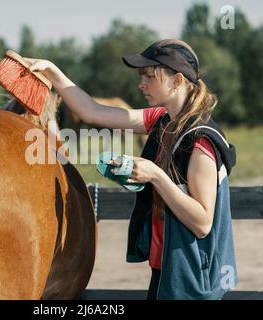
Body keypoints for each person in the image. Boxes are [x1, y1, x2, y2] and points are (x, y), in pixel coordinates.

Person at [26, 39, 238, 300]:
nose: (141, 84)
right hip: (168, 269)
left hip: (191, 278)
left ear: (177, 80)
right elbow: (91, 111)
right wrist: (51, 71)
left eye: (150, 76)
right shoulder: (163, 119)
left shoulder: (201, 141)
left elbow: (202, 223)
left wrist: (155, 176)